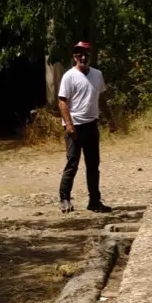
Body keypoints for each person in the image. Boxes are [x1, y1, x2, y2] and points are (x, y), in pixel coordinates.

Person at [58, 41, 112, 213]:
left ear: (90, 55)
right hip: (74, 127)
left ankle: (94, 201)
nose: (83, 57)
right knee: (72, 163)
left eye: (86, 54)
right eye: (79, 54)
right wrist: (69, 125)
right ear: (74, 56)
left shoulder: (97, 74)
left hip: (91, 125)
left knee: (93, 165)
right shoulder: (69, 76)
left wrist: (111, 120)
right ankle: (65, 198)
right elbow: (62, 102)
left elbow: (101, 99)